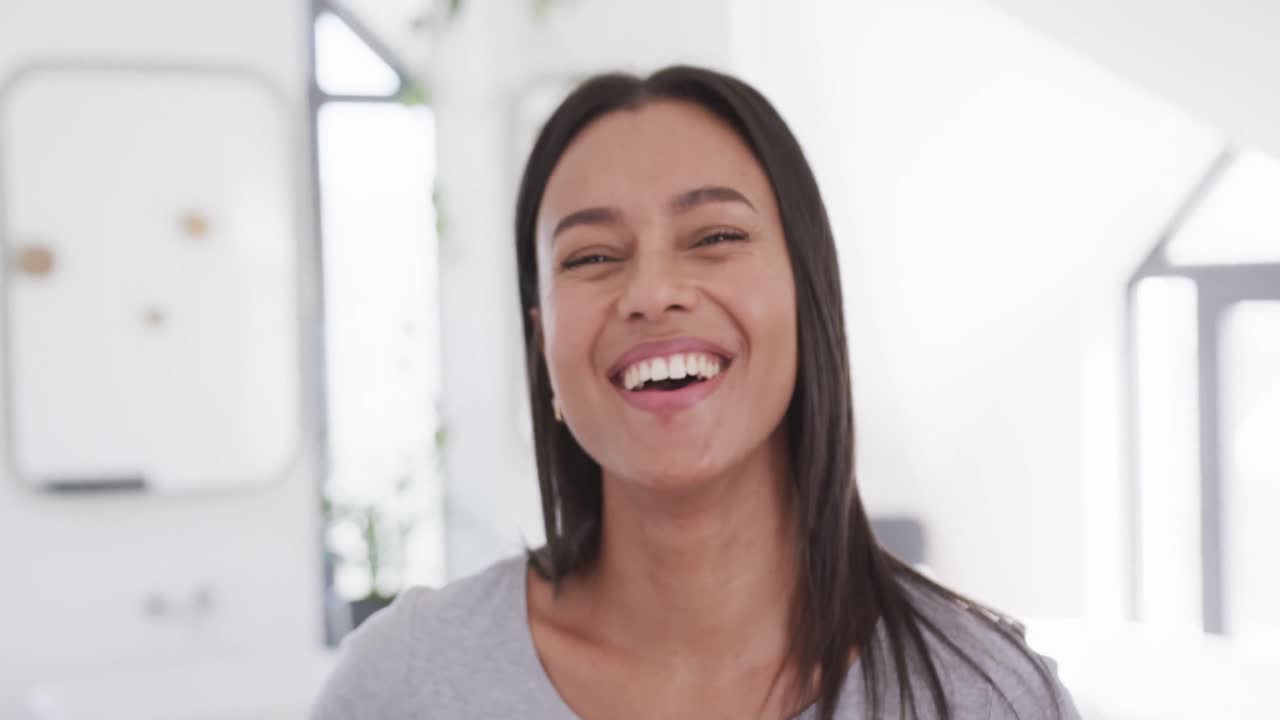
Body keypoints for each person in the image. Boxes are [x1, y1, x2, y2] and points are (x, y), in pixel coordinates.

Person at [311, 65, 1080, 720]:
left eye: (715, 238)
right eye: (592, 256)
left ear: (809, 298)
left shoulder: (983, 695)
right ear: (543, 340)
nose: (651, 292)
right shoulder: (405, 684)